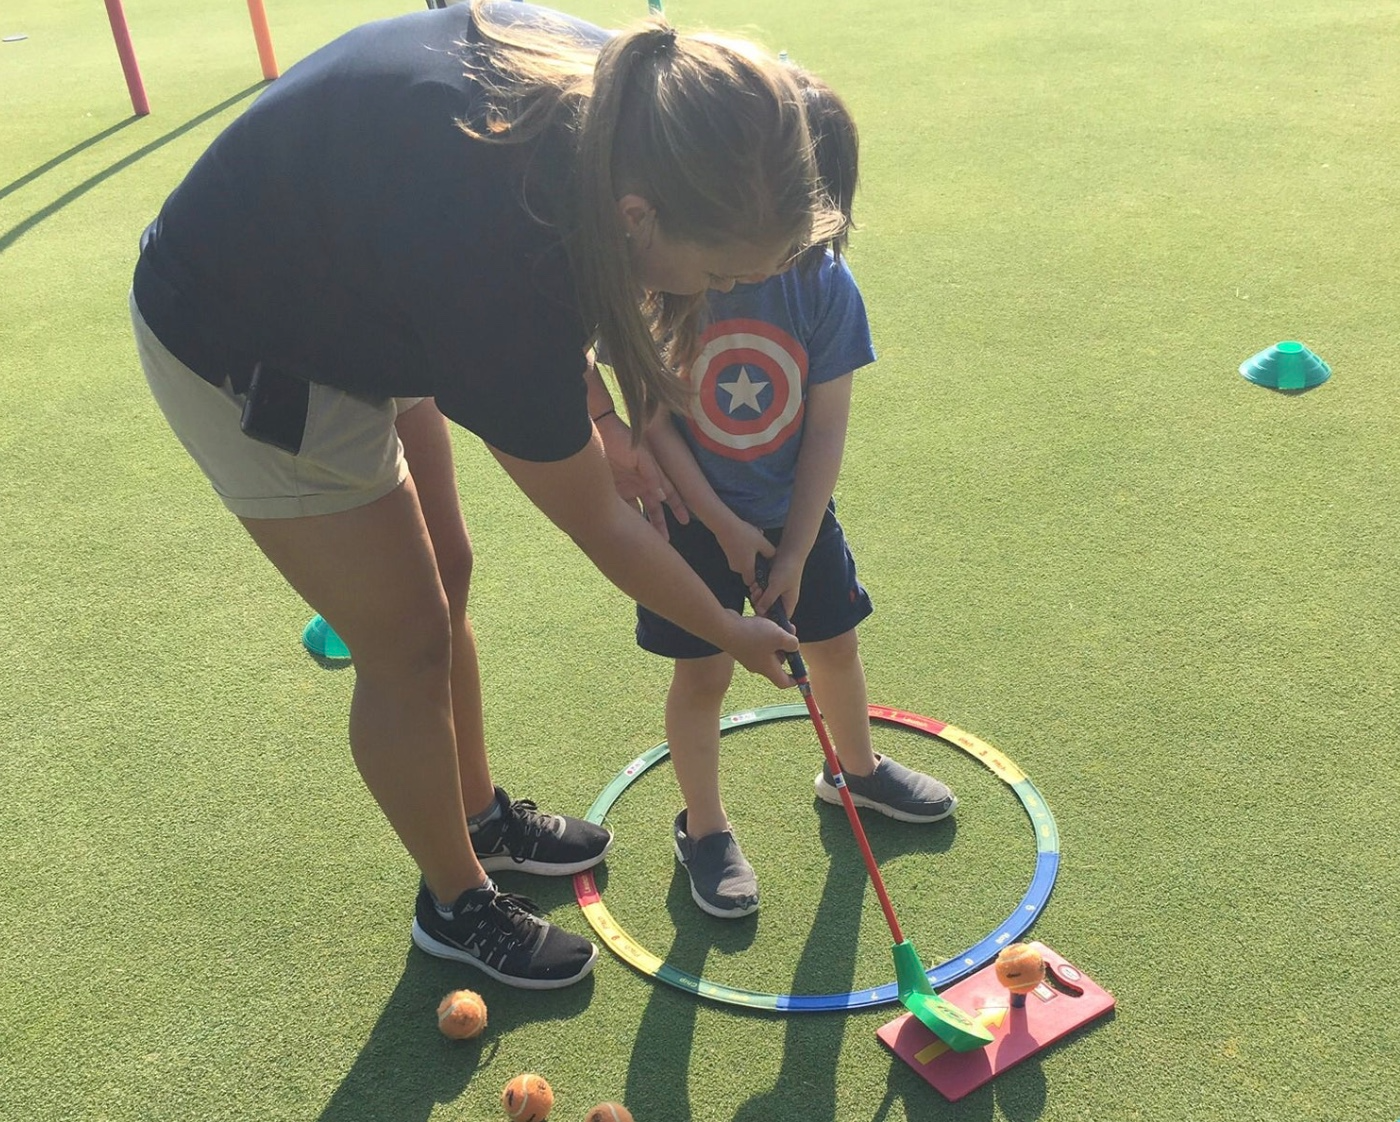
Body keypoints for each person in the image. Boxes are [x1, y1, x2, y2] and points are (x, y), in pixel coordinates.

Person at [130, 0, 842, 987]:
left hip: (367, 269)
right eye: (720, 270)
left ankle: (477, 818)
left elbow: (557, 310)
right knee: (408, 642)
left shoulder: (645, 103)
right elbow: (596, 520)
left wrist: (597, 422)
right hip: (245, 333)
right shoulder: (504, 258)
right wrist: (729, 631)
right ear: (640, 221)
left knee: (448, 568)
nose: (722, 295)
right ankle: (455, 901)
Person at [629, 72, 957, 919]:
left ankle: (856, 771)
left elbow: (824, 429)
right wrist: (727, 527)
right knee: (701, 674)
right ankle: (704, 828)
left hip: (794, 513)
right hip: (694, 520)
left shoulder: (823, 287)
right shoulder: (671, 275)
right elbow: (653, 423)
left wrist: (799, 544)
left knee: (835, 645)